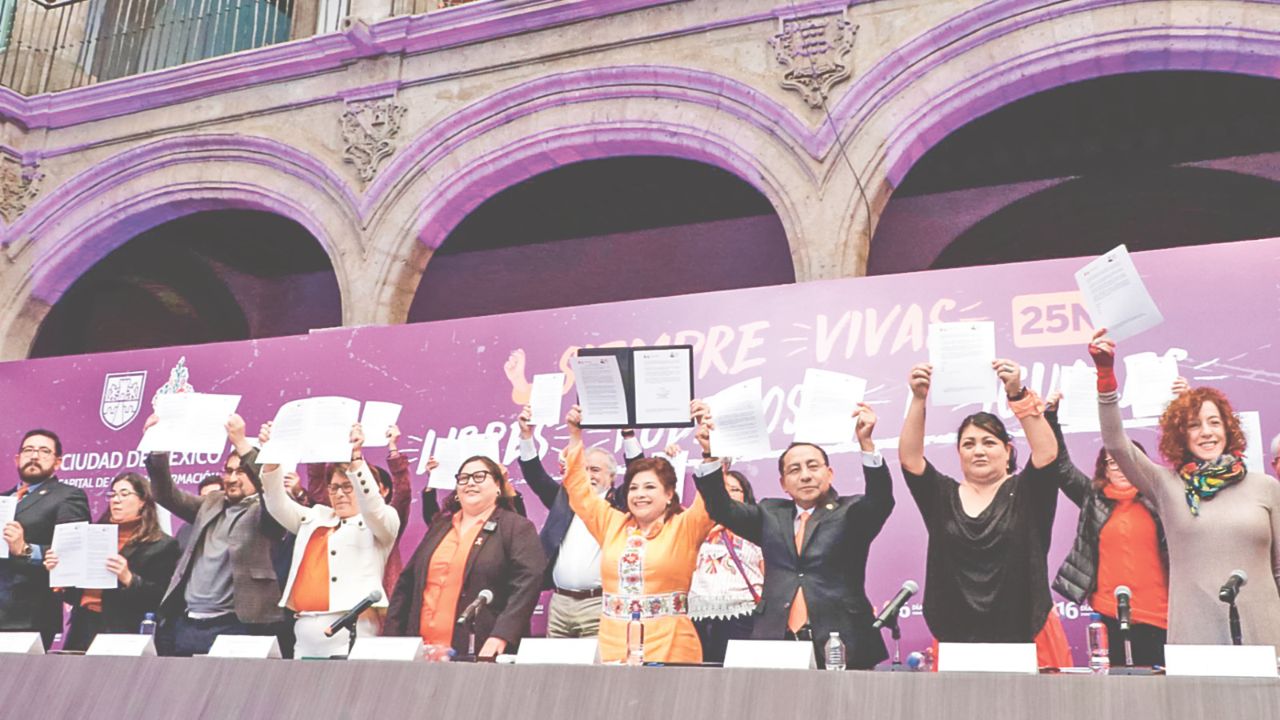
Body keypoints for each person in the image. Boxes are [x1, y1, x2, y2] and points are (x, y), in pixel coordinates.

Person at [1089, 330, 1280, 647]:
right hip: (1195, 639)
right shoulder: (1166, 485)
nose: (1206, 432)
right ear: (1181, 435)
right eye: (1194, 425)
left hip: (1266, 636)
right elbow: (1116, 444)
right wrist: (1106, 376)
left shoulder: (1265, 487)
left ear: (1228, 429)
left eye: (1214, 422)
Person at [899, 359, 1072, 668]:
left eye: (989, 442)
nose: (978, 450)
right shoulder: (941, 495)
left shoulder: (1029, 491)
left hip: (1027, 634)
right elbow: (911, 460)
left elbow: (1047, 453)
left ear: (1007, 451)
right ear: (959, 453)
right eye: (969, 444)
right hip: (956, 638)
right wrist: (919, 398)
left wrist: (1017, 394)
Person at [694, 401, 893, 669]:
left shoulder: (851, 512)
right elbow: (721, 507)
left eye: (813, 466)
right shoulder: (769, 514)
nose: (805, 476)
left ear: (829, 473)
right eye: (794, 470)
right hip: (777, 641)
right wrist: (710, 452)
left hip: (841, 640)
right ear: (783, 483)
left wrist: (866, 443)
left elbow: (881, 499)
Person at [561, 403, 714, 663]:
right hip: (612, 645)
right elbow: (578, 491)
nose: (640, 494)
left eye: (650, 487)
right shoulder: (612, 523)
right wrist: (575, 435)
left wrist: (710, 450)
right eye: (633, 488)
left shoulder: (685, 526)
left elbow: (712, 498)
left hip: (671, 645)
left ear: (668, 495)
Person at [145, 413, 289, 657]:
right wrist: (158, 450)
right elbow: (166, 495)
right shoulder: (211, 502)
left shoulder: (270, 510)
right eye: (228, 471)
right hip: (188, 623)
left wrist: (242, 444)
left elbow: (270, 491)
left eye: (240, 472)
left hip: (236, 625)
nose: (231, 478)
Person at [1047, 392, 1168, 667]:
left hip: (1161, 615)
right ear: (1104, 469)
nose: (1121, 468)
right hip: (1110, 615)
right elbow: (1062, 468)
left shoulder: (1161, 498)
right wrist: (1051, 419)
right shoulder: (1094, 498)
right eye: (1113, 462)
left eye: (1128, 460)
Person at [260, 422, 398, 658]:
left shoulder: (379, 523)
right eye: (334, 488)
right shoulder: (315, 517)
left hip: (354, 632)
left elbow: (373, 507)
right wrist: (272, 455)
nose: (340, 494)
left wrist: (356, 459)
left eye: (347, 487)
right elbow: (276, 503)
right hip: (304, 635)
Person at [385, 455, 545, 658]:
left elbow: (528, 584)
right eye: (463, 478)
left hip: (481, 649)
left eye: (479, 476)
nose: (470, 482)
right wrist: (392, 638)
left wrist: (502, 634)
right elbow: (406, 584)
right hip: (422, 651)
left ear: (498, 486)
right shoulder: (440, 527)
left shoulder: (515, 527)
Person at [517, 404, 641, 638]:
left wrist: (627, 434)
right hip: (560, 604)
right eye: (583, 469)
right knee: (556, 672)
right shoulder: (564, 499)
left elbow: (638, 471)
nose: (588, 476)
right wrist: (526, 436)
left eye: (595, 470)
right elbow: (535, 477)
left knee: (594, 672)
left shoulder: (621, 503)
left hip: (600, 603)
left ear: (611, 477)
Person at [44, 472, 179, 651]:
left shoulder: (161, 545)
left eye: (124, 494)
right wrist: (60, 576)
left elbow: (161, 597)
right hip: (82, 627)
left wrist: (130, 578)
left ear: (143, 501)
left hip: (123, 630)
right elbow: (75, 594)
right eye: (113, 494)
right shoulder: (92, 535)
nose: (116, 500)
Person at [0, 429, 91, 648]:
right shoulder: (3, 500)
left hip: (27, 615)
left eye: (44, 451)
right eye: (28, 450)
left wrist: (25, 549)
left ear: (57, 462)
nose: (34, 456)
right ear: (17, 459)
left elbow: (73, 554)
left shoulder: (68, 496)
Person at [302, 424, 412, 599]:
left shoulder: (389, 518)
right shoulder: (337, 514)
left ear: (384, 490)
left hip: (379, 603)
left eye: (367, 484)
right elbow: (317, 488)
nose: (363, 489)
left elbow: (403, 492)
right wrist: (321, 447)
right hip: (339, 601)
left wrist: (393, 449)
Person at [687, 462, 764, 664]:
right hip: (697, 616)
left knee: (737, 680)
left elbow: (771, 574)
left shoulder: (758, 528)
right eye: (723, 488)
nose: (727, 493)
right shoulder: (693, 528)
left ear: (745, 496)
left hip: (741, 615)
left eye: (734, 489)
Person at [175, 475, 224, 552]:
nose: (209, 501)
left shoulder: (233, 526)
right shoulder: (186, 530)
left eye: (213, 496)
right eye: (204, 497)